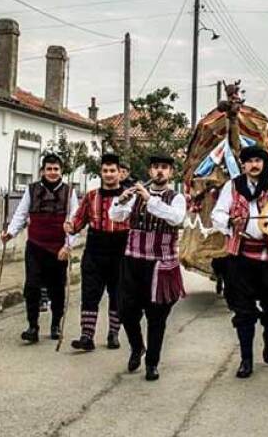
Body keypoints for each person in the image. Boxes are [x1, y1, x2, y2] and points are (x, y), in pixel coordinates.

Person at [211, 146, 268, 378]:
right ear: (243, 165)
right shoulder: (232, 186)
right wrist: (230, 221)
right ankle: (246, 360)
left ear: (264, 163)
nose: (254, 165)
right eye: (249, 161)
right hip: (240, 256)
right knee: (243, 311)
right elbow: (217, 214)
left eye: (258, 160)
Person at [109, 154, 187, 381]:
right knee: (125, 311)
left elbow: (175, 218)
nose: (159, 172)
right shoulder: (136, 195)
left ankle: (152, 362)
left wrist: (149, 200)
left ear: (171, 173)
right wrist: (121, 200)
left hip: (161, 264)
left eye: (164, 168)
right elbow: (115, 216)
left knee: (157, 317)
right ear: (150, 171)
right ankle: (136, 346)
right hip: (133, 260)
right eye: (155, 168)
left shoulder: (176, 198)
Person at [2, 154, 80, 343]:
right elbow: (21, 213)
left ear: (61, 171)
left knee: (57, 289)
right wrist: (10, 233)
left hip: (58, 249)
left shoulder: (69, 193)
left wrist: (68, 246)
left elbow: (75, 221)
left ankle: (55, 324)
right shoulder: (32, 190)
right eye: (49, 169)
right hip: (36, 245)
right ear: (42, 171)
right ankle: (32, 326)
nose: (52, 173)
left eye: (56, 169)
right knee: (32, 286)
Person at [68, 153, 129, 352]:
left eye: (113, 171)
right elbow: (79, 220)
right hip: (95, 248)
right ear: (101, 173)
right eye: (105, 171)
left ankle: (113, 333)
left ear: (120, 173)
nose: (109, 174)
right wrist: (70, 226)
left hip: (120, 249)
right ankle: (87, 336)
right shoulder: (91, 197)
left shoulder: (129, 196)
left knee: (117, 293)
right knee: (90, 293)